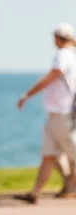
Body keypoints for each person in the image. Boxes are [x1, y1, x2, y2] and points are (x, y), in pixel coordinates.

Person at [14, 22, 76, 204]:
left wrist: (28, 94)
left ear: (57, 38)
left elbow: (53, 76)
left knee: (71, 151)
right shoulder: (72, 55)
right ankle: (34, 194)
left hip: (61, 113)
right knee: (48, 155)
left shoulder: (63, 55)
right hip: (57, 113)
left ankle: (68, 186)